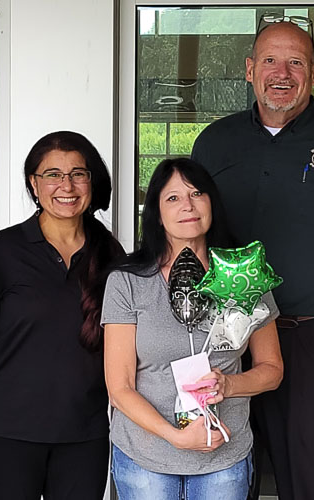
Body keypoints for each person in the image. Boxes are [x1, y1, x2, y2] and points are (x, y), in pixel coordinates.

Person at [191, 15, 314, 500]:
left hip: (313, 339)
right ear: (249, 70)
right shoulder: (214, 144)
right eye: (270, 60)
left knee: (313, 475)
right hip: (226, 338)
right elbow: (189, 230)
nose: (281, 74)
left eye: (296, 62)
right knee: (222, 468)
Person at [102, 158, 283, 500]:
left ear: (212, 202)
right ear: (157, 213)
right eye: (172, 197)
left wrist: (228, 384)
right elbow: (119, 387)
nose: (187, 205)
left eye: (197, 193)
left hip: (224, 454)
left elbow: (272, 370)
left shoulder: (245, 277)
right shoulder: (127, 282)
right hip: (147, 457)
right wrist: (175, 436)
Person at [0, 131, 125, 500]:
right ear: (34, 184)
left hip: (84, 434)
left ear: (91, 181)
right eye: (53, 175)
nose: (66, 186)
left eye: (78, 174)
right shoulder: (0, 252)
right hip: (8, 433)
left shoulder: (112, 257)